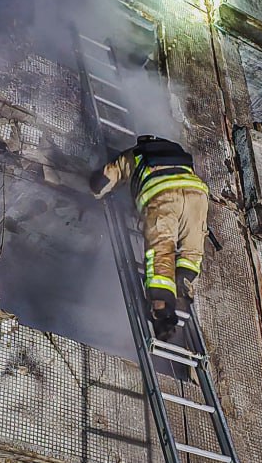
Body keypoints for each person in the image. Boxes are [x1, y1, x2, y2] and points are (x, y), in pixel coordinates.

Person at [89, 135, 210, 337]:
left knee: (162, 249)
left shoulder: (135, 154)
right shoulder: (177, 152)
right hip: (196, 193)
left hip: (162, 195)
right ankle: (185, 276)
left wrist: (93, 187)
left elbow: (103, 181)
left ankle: (161, 308)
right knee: (192, 247)